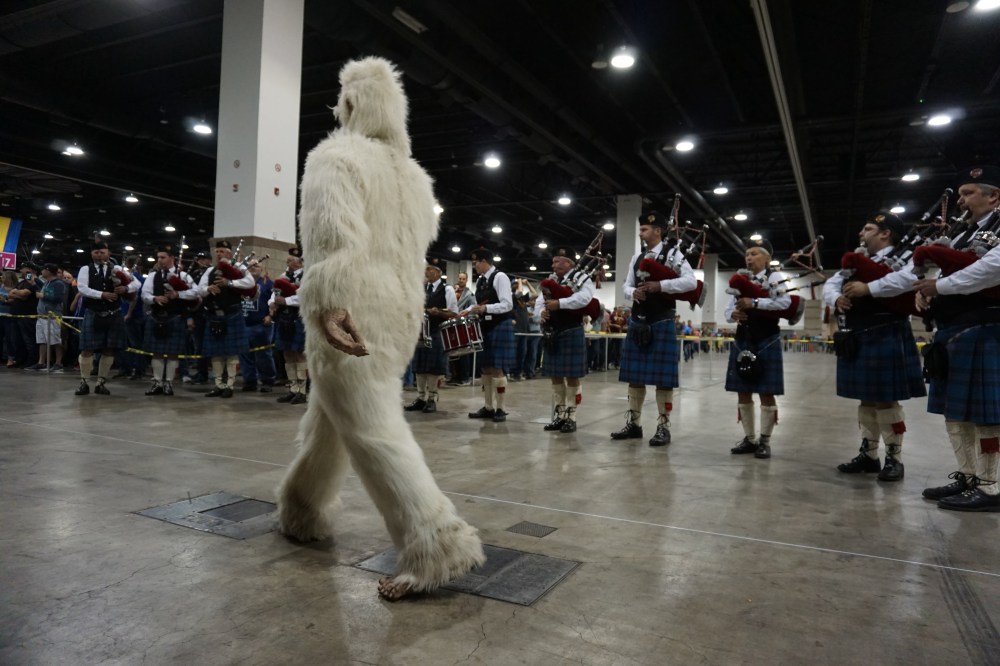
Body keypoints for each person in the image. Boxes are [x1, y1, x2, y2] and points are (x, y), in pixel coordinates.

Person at [275, 56, 484, 601]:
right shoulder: (414, 179)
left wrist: (326, 303)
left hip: (350, 307)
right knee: (333, 415)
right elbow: (416, 248)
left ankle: (435, 544)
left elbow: (333, 237)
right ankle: (302, 509)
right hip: (400, 313)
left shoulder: (335, 156)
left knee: (373, 429)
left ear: (349, 105)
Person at [912, 165, 1000, 512]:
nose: (960, 199)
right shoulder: (964, 233)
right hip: (955, 330)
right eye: (960, 193)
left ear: (994, 195)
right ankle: (968, 476)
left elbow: (991, 269)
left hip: (985, 328)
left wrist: (940, 286)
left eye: (968, 193)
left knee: (984, 415)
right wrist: (927, 293)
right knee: (957, 413)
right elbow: (944, 269)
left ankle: (991, 487)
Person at [826, 212, 925, 482]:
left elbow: (907, 280)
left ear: (885, 233)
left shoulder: (907, 256)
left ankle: (894, 458)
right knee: (866, 398)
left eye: (867, 228)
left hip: (887, 330)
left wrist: (868, 288)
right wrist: (836, 298)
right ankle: (869, 455)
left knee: (886, 399)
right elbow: (831, 283)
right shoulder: (859, 260)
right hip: (858, 332)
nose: (862, 233)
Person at [612, 211, 697, 446]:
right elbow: (625, 286)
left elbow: (691, 282)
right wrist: (633, 292)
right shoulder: (636, 258)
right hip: (638, 320)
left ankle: (663, 427)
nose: (641, 233)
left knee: (663, 379)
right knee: (634, 377)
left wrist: (660, 285)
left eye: (644, 230)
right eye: (640, 230)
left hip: (661, 321)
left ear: (657, 231)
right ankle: (634, 425)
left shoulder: (673, 254)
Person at [725, 237, 791, 459]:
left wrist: (754, 303)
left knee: (766, 392)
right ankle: (750, 438)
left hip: (766, 338)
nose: (749, 257)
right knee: (743, 391)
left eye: (754, 253)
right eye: (747, 254)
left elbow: (785, 304)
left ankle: (765, 440)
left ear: (767, 258)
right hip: (742, 337)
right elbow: (727, 310)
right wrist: (733, 314)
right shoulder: (739, 279)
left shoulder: (775, 278)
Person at [535, 248, 594, 433]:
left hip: (571, 330)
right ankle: (560, 415)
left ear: (568, 262)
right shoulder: (552, 280)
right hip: (553, 331)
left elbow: (585, 298)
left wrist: (560, 303)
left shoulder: (582, 278)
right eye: (553, 262)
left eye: (557, 261)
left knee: (572, 376)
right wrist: (541, 313)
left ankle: (572, 416)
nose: (554, 265)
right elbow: (539, 301)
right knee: (556, 376)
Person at [75, 241, 139, 395]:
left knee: (108, 350)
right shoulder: (86, 269)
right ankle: (84, 382)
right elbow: (82, 288)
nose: (99, 254)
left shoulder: (116, 269)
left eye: (102, 252)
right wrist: (101, 294)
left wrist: (126, 288)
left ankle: (101, 383)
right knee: (87, 349)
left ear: (108, 253)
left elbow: (136, 283)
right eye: (96, 252)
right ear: (91, 254)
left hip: (113, 313)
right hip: (93, 312)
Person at [195, 240, 254, 398]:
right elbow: (198, 290)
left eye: (222, 251)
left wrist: (230, 282)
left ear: (229, 253)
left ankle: (230, 386)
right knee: (216, 353)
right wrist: (208, 289)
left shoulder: (238, 267)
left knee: (231, 353)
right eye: (217, 251)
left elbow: (250, 282)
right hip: (214, 315)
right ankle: (218, 385)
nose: (218, 253)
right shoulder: (209, 271)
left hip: (232, 314)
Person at [464, 248, 515, 422]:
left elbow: (507, 305)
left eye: (475, 263)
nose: (474, 266)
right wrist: (466, 311)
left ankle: (501, 408)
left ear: (484, 261)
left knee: (497, 368)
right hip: (485, 326)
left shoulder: (500, 277)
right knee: (485, 367)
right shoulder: (480, 281)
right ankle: (488, 407)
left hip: (500, 325)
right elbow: (479, 305)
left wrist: (487, 308)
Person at [141, 244, 199, 396]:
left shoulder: (184, 276)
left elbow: (196, 293)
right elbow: (144, 294)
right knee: (157, 352)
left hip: (175, 317)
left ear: (172, 258)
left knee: (173, 353)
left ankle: (168, 383)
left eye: (163, 257)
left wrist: (178, 295)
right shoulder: (153, 276)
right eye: (158, 257)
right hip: (156, 316)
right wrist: (154, 298)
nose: (160, 260)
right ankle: (157, 383)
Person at [405, 258, 457, 413]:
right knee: (420, 366)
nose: (426, 272)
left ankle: (432, 398)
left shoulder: (447, 290)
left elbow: (454, 313)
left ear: (438, 272)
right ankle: (421, 398)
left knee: (434, 368)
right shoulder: (422, 288)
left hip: (438, 332)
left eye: (429, 269)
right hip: (421, 332)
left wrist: (439, 312)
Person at [269, 247, 307, 404]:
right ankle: (293, 389)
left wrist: (286, 301)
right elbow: (274, 295)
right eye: (287, 261)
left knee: (299, 354)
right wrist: (272, 303)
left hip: (298, 318)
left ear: (299, 263)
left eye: (291, 260)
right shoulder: (283, 277)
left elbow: (307, 297)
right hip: (284, 319)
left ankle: (302, 391)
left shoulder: (307, 276)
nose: (288, 263)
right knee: (287, 354)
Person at [240, 259, 277, 393]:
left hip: (261, 325)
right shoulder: (241, 283)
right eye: (251, 265)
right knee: (245, 355)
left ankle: (267, 381)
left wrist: (270, 316)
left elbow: (275, 302)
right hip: (243, 325)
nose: (253, 267)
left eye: (257, 265)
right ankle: (249, 382)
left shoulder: (268, 284)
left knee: (264, 355)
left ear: (261, 269)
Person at [24, 264, 67, 372]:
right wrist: (29, 275)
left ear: (48, 271)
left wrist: (43, 296)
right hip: (42, 315)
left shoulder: (58, 283)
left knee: (56, 340)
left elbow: (58, 298)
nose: (41, 271)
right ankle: (41, 362)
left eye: (43, 269)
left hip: (52, 316)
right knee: (42, 340)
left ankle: (58, 362)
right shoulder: (46, 283)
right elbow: (32, 282)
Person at [447, 271, 477, 386]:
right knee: (453, 352)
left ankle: (464, 377)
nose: (461, 280)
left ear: (466, 280)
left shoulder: (469, 294)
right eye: (459, 278)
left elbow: (473, 307)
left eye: (463, 279)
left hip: (463, 325)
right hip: (451, 324)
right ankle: (454, 376)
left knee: (464, 352)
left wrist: (466, 314)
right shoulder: (452, 292)